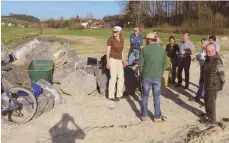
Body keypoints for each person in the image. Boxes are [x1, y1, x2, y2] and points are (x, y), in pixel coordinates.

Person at [139, 33, 167, 122]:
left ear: (149, 40)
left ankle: (144, 115)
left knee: (145, 96)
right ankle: (157, 116)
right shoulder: (162, 50)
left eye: (146, 39)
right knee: (157, 96)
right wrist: (161, 72)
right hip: (157, 76)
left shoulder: (144, 49)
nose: (145, 41)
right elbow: (165, 64)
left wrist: (143, 73)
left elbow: (140, 65)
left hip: (146, 76)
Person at [203, 43, 225, 124]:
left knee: (211, 103)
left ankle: (212, 120)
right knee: (206, 100)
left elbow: (222, 76)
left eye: (209, 52)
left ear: (214, 51)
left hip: (213, 85)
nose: (207, 53)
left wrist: (220, 86)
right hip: (207, 83)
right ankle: (208, 115)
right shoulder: (208, 58)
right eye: (206, 51)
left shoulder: (217, 61)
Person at [106, 26, 127, 101]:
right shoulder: (110, 39)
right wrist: (108, 62)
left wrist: (124, 60)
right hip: (112, 59)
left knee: (121, 77)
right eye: (113, 31)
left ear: (119, 32)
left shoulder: (122, 39)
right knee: (113, 77)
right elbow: (108, 52)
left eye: (115, 31)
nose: (113, 33)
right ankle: (111, 95)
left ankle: (119, 94)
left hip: (119, 59)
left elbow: (122, 51)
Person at [194, 38, 208, 102]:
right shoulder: (203, 49)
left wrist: (200, 56)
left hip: (206, 68)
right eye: (201, 42)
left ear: (206, 43)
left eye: (202, 43)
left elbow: (206, 58)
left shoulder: (208, 50)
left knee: (204, 83)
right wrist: (198, 57)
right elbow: (201, 56)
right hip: (202, 67)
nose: (201, 44)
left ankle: (203, 98)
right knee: (201, 82)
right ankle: (198, 96)